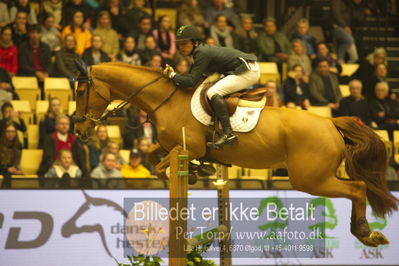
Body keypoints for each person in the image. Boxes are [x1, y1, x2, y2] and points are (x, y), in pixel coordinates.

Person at [162, 25, 259, 149]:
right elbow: (191, 77)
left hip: (248, 70)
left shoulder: (201, 53)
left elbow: (191, 81)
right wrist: (174, 75)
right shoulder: (199, 52)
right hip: (241, 68)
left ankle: (228, 133)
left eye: (185, 43)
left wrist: (172, 75)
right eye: (179, 44)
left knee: (213, 92)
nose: (181, 47)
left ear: (196, 43)